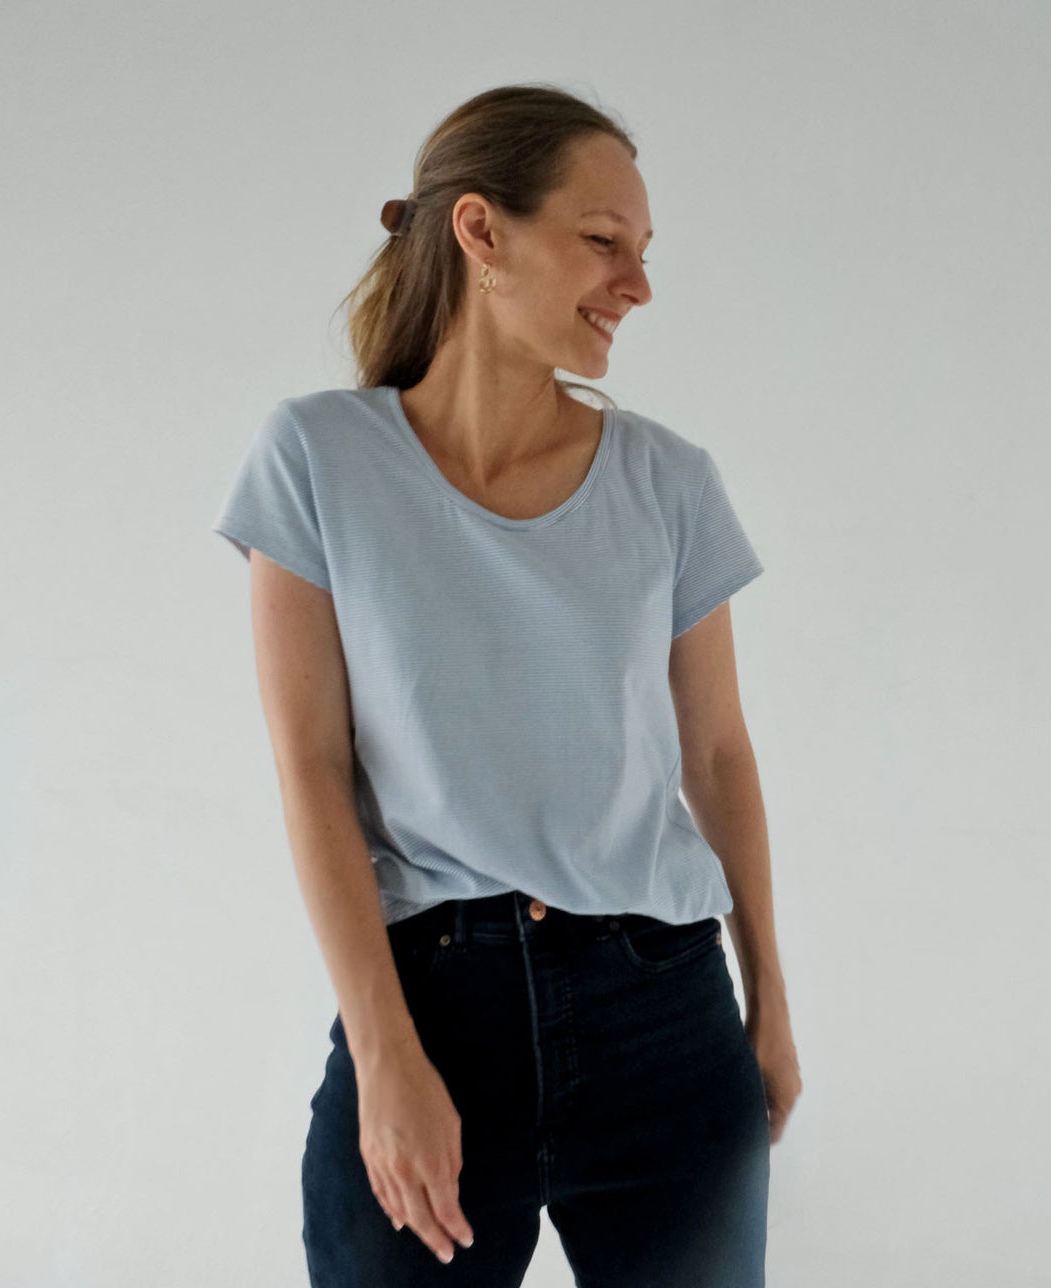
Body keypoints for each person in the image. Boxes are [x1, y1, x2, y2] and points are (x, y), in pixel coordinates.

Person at [212, 82, 801, 1288]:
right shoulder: (319, 459)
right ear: (481, 230)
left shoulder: (670, 482)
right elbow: (310, 769)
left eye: (643, 252)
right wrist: (384, 1052)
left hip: (663, 1015)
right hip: (430, 1011)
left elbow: (718, 755)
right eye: (604, 241)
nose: (637, 286)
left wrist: (772, 1006)